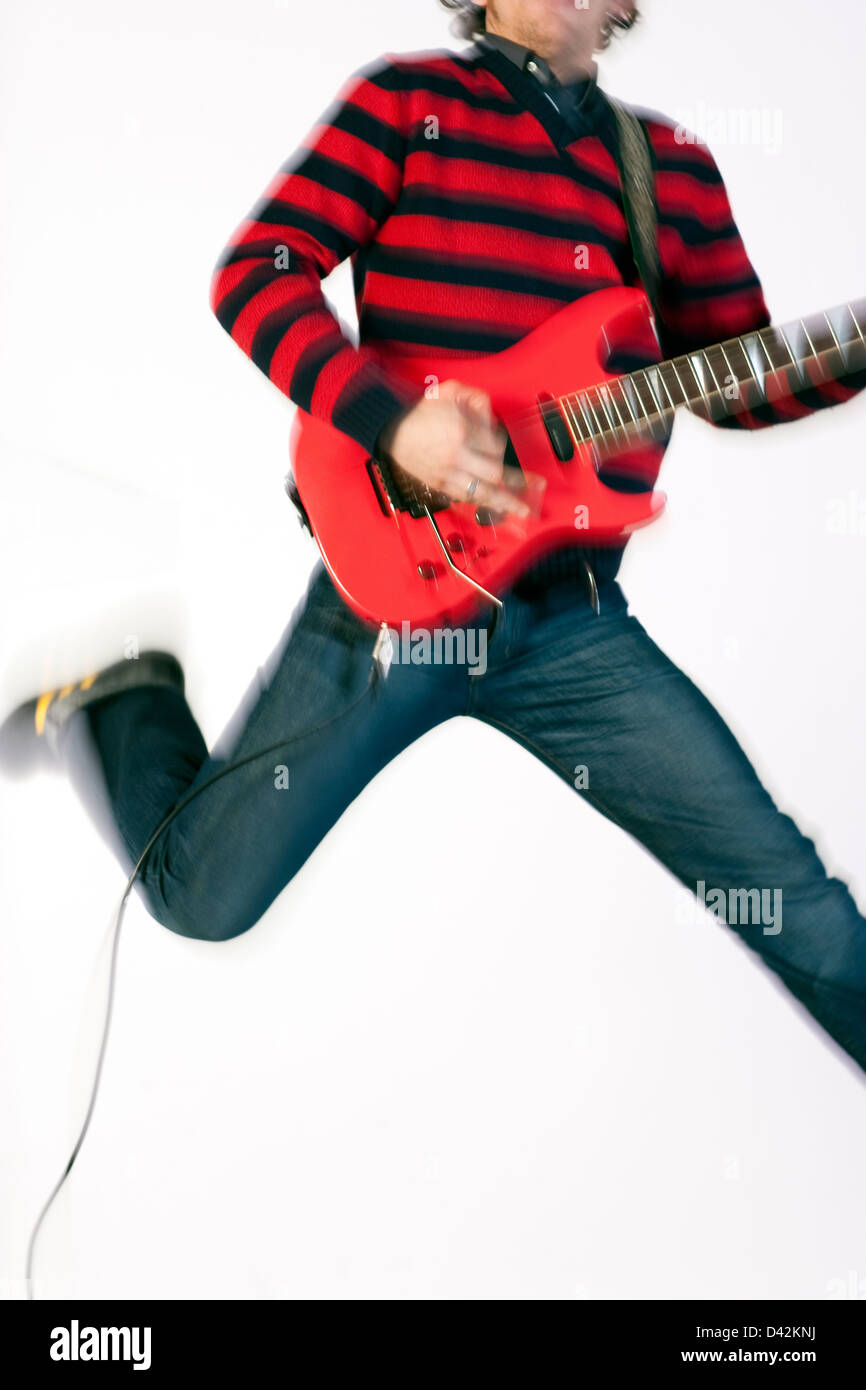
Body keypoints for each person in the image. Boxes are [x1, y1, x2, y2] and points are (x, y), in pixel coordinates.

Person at [3, 0, 866, 1075]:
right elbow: (255, 273)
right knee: (202, 899)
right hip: (391, 600)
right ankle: (119, 701)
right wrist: (390, 422)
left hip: (572, 626)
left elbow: (736, 382)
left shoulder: (670, 170)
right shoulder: (405, 103)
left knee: (803, 910)